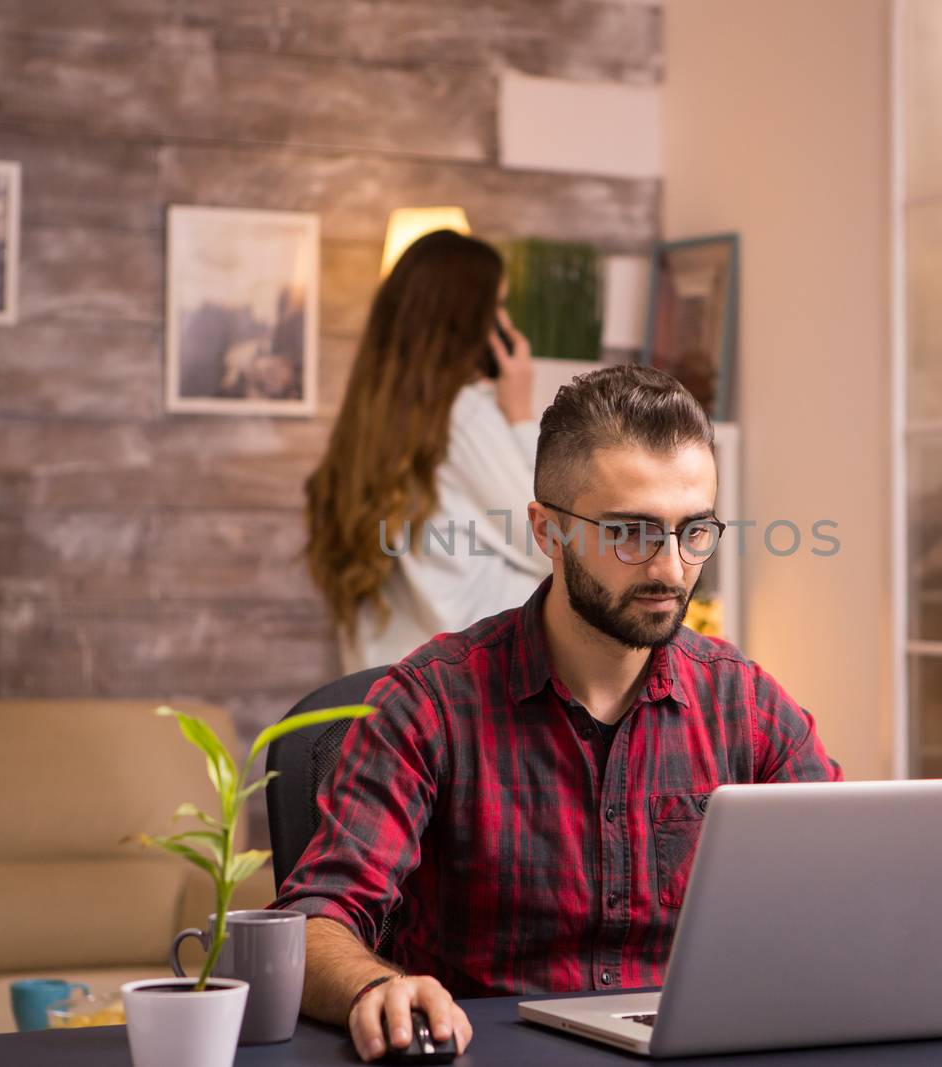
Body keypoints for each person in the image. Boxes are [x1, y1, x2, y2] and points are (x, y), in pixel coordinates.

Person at [275, 365, 842, 1061]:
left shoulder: (747, 707)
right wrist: (373, 987)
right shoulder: (430, 704)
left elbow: (847, 890)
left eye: (694, 532)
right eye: (632, 533)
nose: (671, 569)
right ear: (547, 531)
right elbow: (312, 918)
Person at [304, 230, 551, 672]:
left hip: (391, 695)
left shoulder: (368, 425)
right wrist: (521, 416)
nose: (506, 322)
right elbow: (552, 538)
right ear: (470, 320)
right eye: (497, 305)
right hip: (469, 692)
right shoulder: (466, 416)